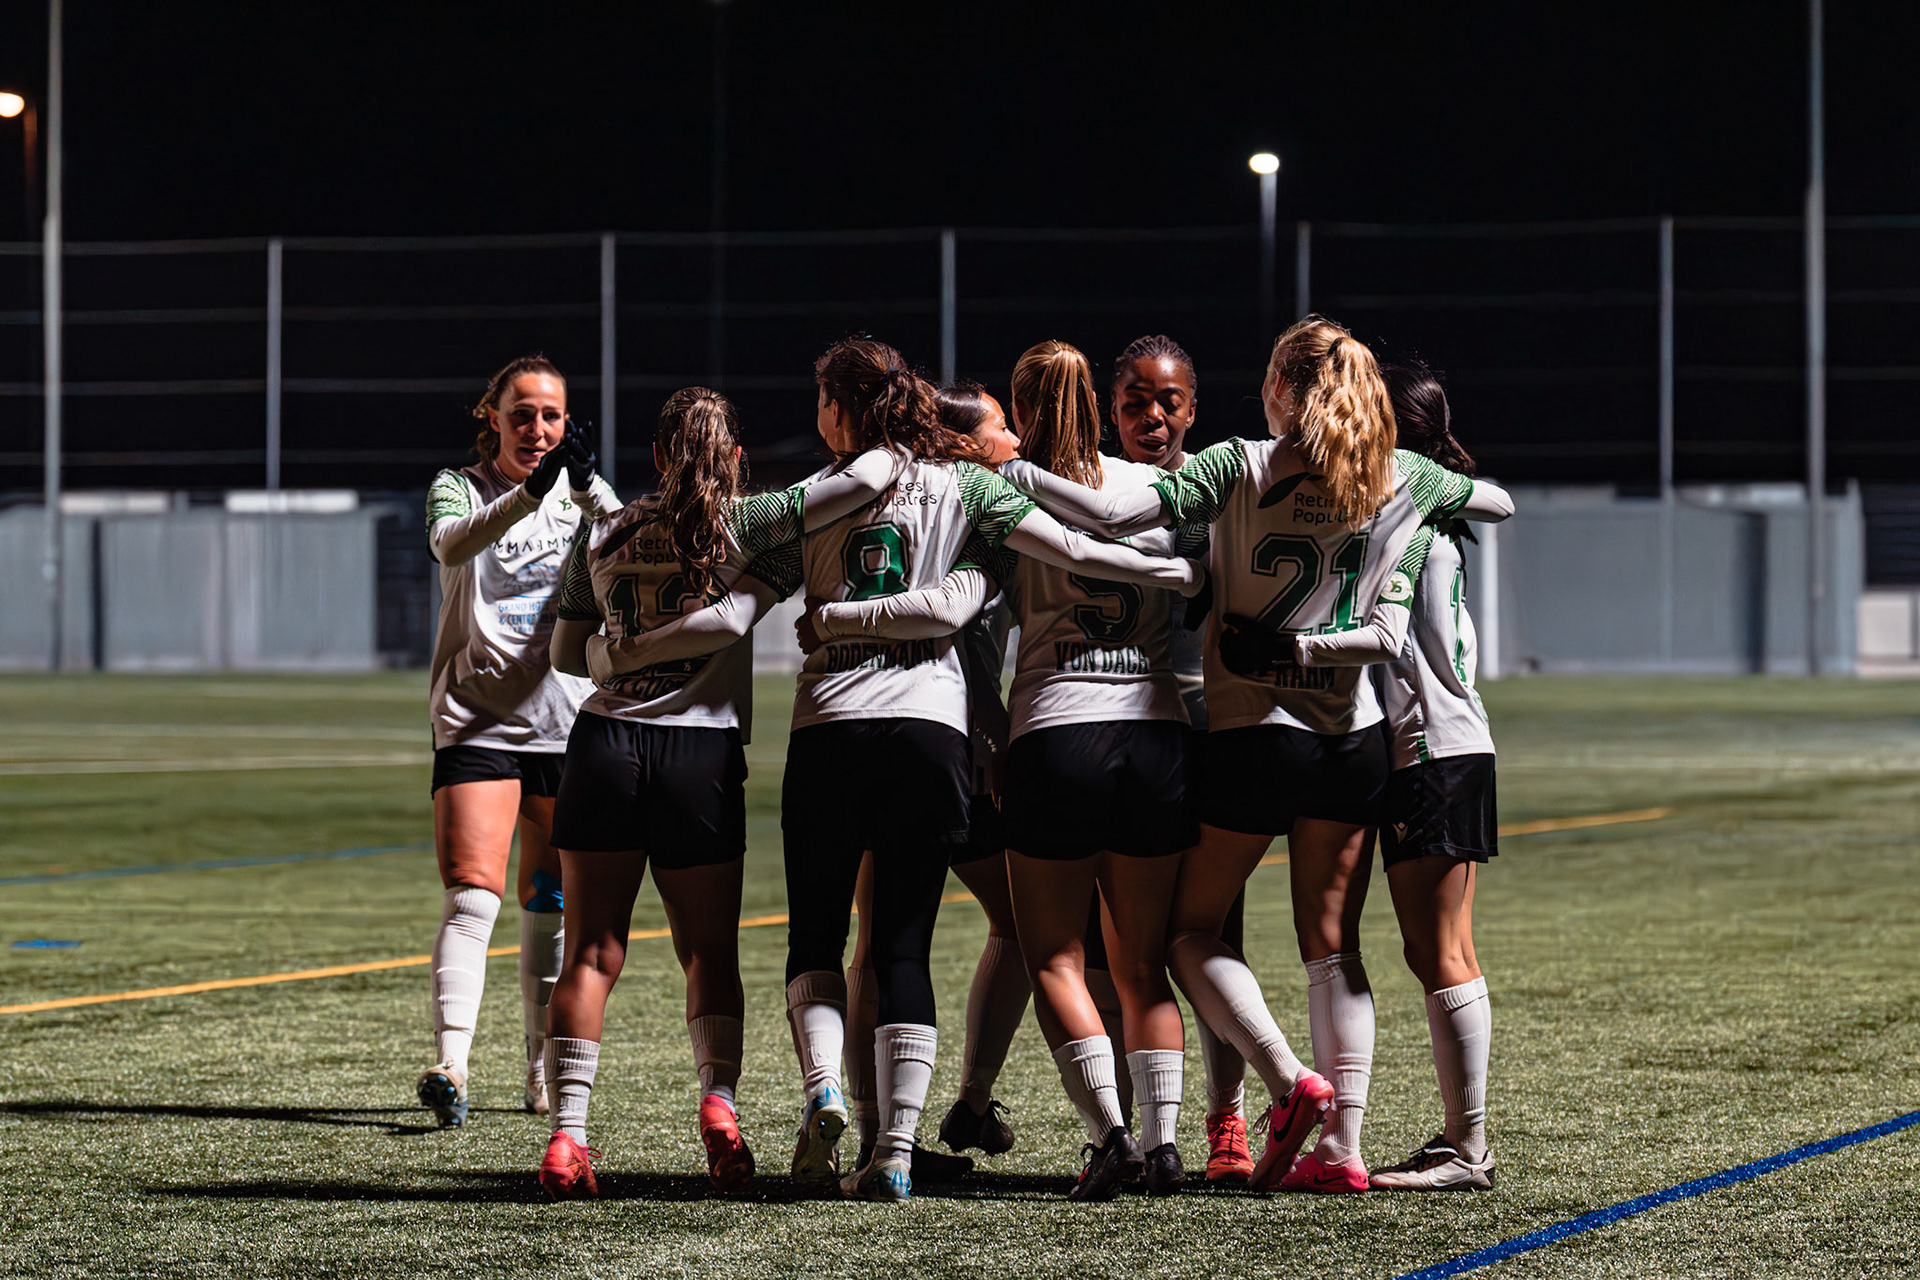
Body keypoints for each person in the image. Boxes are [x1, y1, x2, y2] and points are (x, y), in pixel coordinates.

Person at [627, 337, 1204, 1201]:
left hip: (838, 727)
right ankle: (899, 1148)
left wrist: (631, 646)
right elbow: (1048, 563)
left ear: (837, 408)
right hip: (938, 733)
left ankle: (830, 1092)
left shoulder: (816, 498)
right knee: (905, 945)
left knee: (824, 939)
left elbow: (735, 605)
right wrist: (1169, 568)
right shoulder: (972, 490)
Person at [994, 316, 1511, 1193]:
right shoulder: (1393, 471)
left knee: (1187, 932)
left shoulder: (1240, 462)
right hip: (1351, 736)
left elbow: (1113, 511)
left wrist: (1012, 475)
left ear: (1277, 386)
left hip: (1254, 731)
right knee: (1333, 948)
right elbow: (1496, 502)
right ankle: (1342, 1150)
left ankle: (1285, 1077)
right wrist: (1418, 491)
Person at [528, 393, 908, 1199]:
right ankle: (719, 1108)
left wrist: (619, 652)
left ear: (657, 457)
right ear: (735, 459)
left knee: (591, 952)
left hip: (603, 744)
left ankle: (568, 1136)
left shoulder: (605, 528)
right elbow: (833, 500)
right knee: (707, 952)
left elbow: (564, 652)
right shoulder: (752, 520)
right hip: (697, 752)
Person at [1292, 359, 1498, 1191]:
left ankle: (1468, 1148)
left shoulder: (1405, 519)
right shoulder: (1430, 511)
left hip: (1431, 748)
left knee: (1437, 951)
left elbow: (1380, 638)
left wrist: (1291, 648)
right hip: (1450, 744)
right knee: (1442, 948)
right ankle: (1463, 1143)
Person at [418, 354, 617, 1128]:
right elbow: (450, 544)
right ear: (493, 419)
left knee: (551, 900)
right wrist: (532, 495)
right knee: (473, 892)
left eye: (551, 416)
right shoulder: (458, 486)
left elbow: (628, 544)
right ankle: (452, 1064)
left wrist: (588, 489)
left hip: (564, 723)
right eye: (522, 414)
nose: (537, 429)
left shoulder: (581, 498)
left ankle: (539, 1070)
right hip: (477, 716)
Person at [1109, 333, 1255, 1186]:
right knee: (1119, 942)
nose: (1152, 416)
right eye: (1135, 401)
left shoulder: (1222, 489)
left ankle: (1227, 1119)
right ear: (1111, 410)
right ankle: (1125, 1126)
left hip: (1204, 730)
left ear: (1193, 409)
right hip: (1114, 729)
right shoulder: (1090, 487)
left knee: (1213, 930)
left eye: (1168, 401)